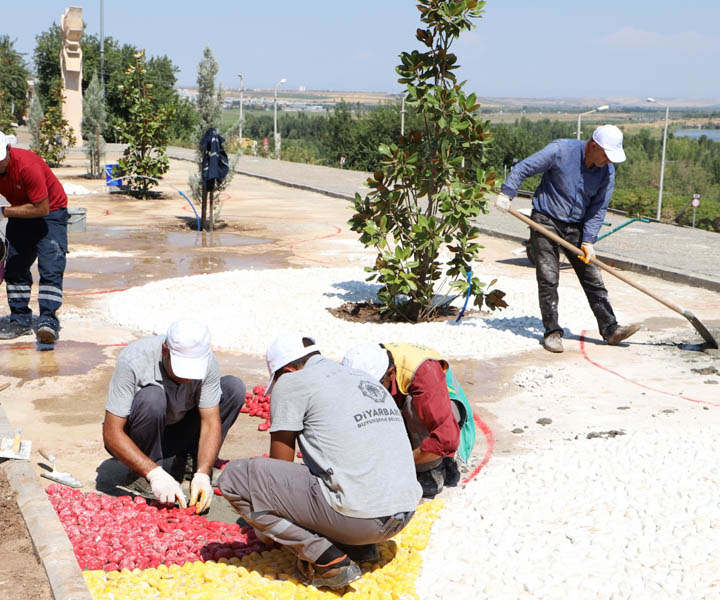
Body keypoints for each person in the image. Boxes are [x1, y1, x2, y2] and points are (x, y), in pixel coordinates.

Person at [218, 334, 421, 589]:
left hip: (361, 520)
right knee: (333, 470)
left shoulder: (292, 381)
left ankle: (328, 560)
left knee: (234, 478)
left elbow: (282, 464)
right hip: (403, 512)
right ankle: (359, 548)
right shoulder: (363, 377)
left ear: (288, 370)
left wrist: (267, 527)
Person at [494, 124, 640, 353]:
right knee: (549, 277)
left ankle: (611, 330)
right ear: (593, 146)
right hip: (546, 221)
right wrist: (507, 193)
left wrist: (589, 240)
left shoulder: (607, 172)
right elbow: (523, 168)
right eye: (607, 155)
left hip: (578, 226)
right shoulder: (560, 151)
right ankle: (552, 332)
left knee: (593, 277)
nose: (609, 161)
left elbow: (598, 208)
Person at [102, 319, 245, 511]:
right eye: (181, 369)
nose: (186, 378)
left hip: (178, 430)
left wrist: (203, 472)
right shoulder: (134, 359)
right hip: (140, 436)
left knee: (233, 388)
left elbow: (210, 423)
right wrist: (153, 473)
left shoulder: (208, 361)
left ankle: (190, 463)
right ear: (164, 350)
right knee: (152, 397)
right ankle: (142, 475)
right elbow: (111, 434)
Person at [342, 342, 471, 499]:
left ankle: (430, 469)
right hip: (408, 402)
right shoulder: (367, 361)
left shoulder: (423, 373)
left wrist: (399, 465)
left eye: (374, 387)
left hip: (446, 413)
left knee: (412, 407)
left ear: (390, 373)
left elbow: (446, 439)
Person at [0, 127, 69, 344]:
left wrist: (4, 212)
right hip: (20, 210)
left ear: (8, 149)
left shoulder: (27, 166)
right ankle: (20, 320)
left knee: (50, 265)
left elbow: (42, 208)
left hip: (51, 212)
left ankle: (48, 320)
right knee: (15, 266)